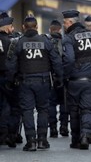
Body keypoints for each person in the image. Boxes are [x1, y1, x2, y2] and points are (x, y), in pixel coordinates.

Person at [5, 15, 63, 151]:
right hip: (43, 81)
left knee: (27, 111)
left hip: (25, 82)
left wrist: (10, 80)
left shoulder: (19, 42)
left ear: (24, 27)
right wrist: (59, 78)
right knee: (43, 109)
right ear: (37, 27)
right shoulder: (46, 41)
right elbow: (56, 61)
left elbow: (11, 65)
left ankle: (31, 141)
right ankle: (42, 140)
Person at [62, 9, 91, 150]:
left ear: (71, 22)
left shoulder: (69, 38)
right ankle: (85, 135)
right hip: (90, 79)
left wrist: (66, 75)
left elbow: (69, 59)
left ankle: (76, 139)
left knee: (74, 110)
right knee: (88, 109)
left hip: (74, 80)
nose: (64, 25)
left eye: (65, 23)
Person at [0, 11, 21, 148]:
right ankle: (10, 135)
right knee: (12, 107)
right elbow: (14, 63)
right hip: (7, 78)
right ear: (7, 27)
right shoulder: (11, 41)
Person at [46, 19, 69, 138]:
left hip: (50, 78)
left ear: (50, 30)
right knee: (64, 103)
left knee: (51, 103)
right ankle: (64, 127)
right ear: (60, 30)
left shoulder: (46, 42)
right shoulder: (65, 41)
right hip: (64, 77)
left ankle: (53, 128)